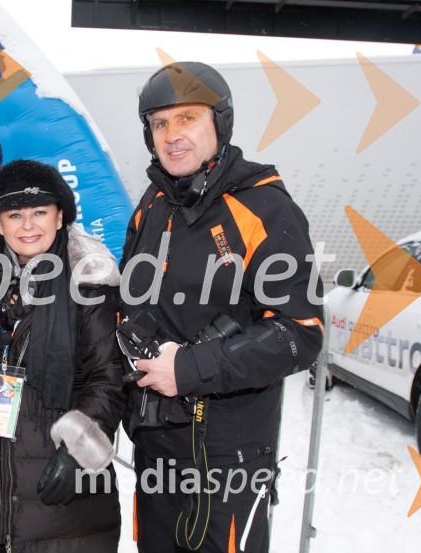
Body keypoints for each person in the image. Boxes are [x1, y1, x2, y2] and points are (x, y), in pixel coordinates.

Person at [120, 62, 324, 552]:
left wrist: (189, 368)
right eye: (160, 123)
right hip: (155, 444)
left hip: (228, 457)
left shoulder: (264, 207)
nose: (172, 135)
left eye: (187, 118)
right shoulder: (153, 204)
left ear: (220, 123)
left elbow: (301, 332)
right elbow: (131, 300)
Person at [0, 159, 125, 552]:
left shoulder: (89, 280)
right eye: (15, 214)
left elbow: (107, 377)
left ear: (60, 216)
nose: (27, 225)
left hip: (61, 494)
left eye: (39, 212)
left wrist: (77, 450)